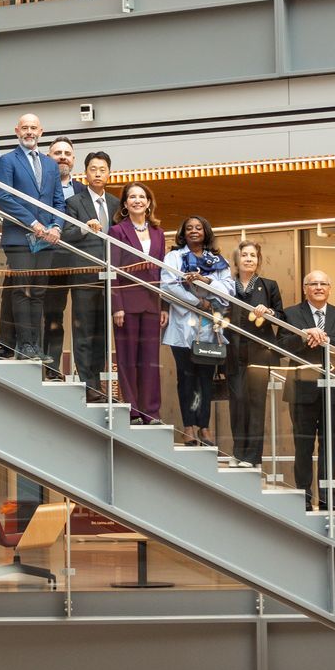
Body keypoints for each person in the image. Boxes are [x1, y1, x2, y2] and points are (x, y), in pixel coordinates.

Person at [277, 269, 335, 507]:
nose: (319, 287)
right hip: (302, 390)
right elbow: (281, 345)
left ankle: (327, 498)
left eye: (323, 283)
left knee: (331, 447)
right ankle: (303, 495)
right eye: (313, 284)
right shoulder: (291, 314)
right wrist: (304, 336)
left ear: (330, 289)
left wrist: (328, 340)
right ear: (305, 288)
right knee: (303, 446)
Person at [0, 112, 65, 361]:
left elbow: (58, 201)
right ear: (17, 131)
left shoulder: (50, 164)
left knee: (39, 292)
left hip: (46, 239)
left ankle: (35, 344)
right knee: (23, 291)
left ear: (41, 132)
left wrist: (57, 226)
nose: (29, 132)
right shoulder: (7, 161)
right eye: (25, 128)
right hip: (19, 238)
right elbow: (4, 198)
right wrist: (32, 223)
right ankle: (24, 345)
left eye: (34, 128)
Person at [162, 214, 230, 443]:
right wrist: (197, 302)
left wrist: (209, 283)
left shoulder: (217, 261)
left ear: (205, 232)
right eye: (189, 228)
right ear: (183, 233)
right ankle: (188, 426)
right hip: (182, 326)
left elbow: (229, 290)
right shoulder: (173, 257)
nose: (193, 231)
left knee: (205, 379)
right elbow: (168, 287)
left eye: (198, 228)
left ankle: (204, 426)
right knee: (186, 377)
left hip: (210, 327)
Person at [222, 240, 285, 470]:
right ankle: (238, 453)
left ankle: (252, 457)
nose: (249, 259)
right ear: (236, 260)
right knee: (237, 402)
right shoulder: (227, 285)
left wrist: (268, 312)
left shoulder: (269, 286)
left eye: (253, 255)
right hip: (234, 351)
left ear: (258, 260)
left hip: (260, 353)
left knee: (256, 404)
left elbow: (281, 316)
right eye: (244, 255)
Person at [108, 183, 167, 424]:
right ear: (124, 203)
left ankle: (151, 412)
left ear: (149, 202)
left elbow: (164, 273)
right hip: (127, 304)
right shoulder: (117, 231)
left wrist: (165, 306)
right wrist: (116, 305)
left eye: (142, 197)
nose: (137, 200)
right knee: (127, 360)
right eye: (132, 197)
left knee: (150, 361)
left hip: (153, 303)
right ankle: (133, 410)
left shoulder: (158, 232)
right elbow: (112, 271)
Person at [61, 150, 116, 402]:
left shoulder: (116, 204)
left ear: (109, 172)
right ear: (86, 172)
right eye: (93, 169)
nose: (97, 173)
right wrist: (85, 228)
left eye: (102, 169)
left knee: (102, 334)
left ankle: (98, 383)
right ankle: (88, 385)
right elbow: (65, 234)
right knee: (83, 332)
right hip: (83, 276)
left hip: (109, 279)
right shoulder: (74, 202)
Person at [42, 138, 80, 367]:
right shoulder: (40, 188)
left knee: (83, 320)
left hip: (80, 263)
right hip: (49, 260)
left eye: (67, 153)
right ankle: (51, 366)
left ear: (73, 160)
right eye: (57, 153)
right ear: (48, 158)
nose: (63, 156)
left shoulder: (83, 191)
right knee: (52, 316)